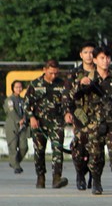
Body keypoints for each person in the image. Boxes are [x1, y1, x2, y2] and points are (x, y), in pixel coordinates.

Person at [74, 46, 112, 195]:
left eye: (107, 58)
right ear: (95, 60)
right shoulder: (88, 78)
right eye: (101, 58)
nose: (105, 61)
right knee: (95, 155)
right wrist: (82, 85)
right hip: (94, 123)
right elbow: (75, 97)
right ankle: (96, 182)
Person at [24, 59, 72, 188]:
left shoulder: (62, 84)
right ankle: (41, 176)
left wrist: (68, 113)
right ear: (44, 70)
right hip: (39, 122)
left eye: (56, 73)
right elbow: (26, 104)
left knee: (58, 149)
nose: (53, 75)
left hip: (56, 121)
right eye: (51, 73)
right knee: (39, 151)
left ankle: (57, 178)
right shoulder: (35, 84)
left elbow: (67, 102)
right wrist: (31, 118)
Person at [69, 41, 97, 190]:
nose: (89, 55)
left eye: (92, 52)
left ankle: (94, 178)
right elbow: (67, 95)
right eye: (85, 52)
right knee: (79, 148)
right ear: (81, 55)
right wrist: (79, 84)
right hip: (80, 117)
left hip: (97, 116)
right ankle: (80, 175)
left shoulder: (100, 71)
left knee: (95, 149)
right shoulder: (74, 73)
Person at [4, 80, 30, 174]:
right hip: (12, 126)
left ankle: (14, 162)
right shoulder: (9, 100)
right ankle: (16, 166)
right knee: (13, 147)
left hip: (22, 127)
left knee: (24, 147)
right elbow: (11, 112)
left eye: (20, 87)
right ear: (12, 88)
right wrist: (18, 120)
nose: (18, 89)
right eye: (16, 87)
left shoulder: (22, 100)